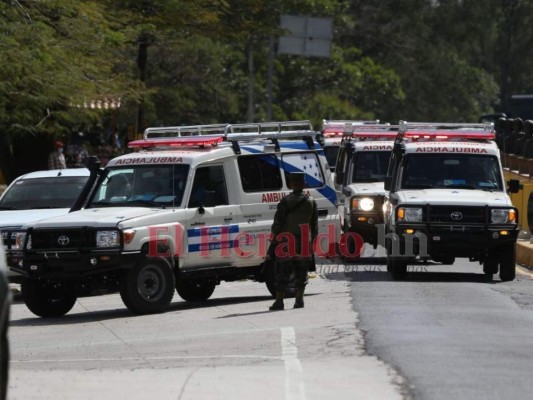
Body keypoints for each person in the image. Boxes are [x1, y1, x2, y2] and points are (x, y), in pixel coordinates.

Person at [268, 172, 318, 311]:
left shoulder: (286, 201)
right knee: (301, 272)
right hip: (303, 242)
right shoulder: (311, 202)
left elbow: (278, 222)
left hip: (287, 243)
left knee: (283, 272)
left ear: (291, 184)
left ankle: (279, 302)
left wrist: (274, 238)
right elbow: (314, 226)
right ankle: (299, 300)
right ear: (304, 184)